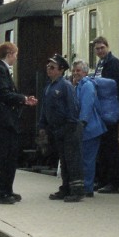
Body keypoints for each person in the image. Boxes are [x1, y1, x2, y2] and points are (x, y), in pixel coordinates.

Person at [0, 42, 37, 204]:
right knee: (1, 156)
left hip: (6, 121)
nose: (16, 58)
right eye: (15, 54)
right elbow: (3, 94)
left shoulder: (1, 69)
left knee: (9, 156)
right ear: (9, 54)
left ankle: (7, 190)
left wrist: (22, 99)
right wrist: (23, 99)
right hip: (1, 121)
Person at [40, 54, 84, 202]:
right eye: (48, 67)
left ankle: (77, 190)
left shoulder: (65, 86)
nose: (48, 69)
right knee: (64, 160)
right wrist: (42, 126)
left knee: (72, 160)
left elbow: (73, 106)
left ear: (61, 70)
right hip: (57, 129)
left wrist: (71, 124)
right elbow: (45, 108)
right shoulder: (49, 87)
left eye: (52, 67)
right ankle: (65, 188)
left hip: (69, 128)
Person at [91, 37, 119, 193]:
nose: (100, 51)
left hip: (111, 110)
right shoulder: (101, 63)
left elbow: (112, 84)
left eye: (102, 48)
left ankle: (113, 183)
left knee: (111, 147)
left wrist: (92, 81)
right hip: (104, 110)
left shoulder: (113, 63)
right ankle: (103, 180)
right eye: (97, 49)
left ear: (107, 47)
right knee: (104, 147)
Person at [72, 59, 106, 196]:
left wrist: (82, 124)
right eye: (74, 70)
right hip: (88, 128)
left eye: (78, 70)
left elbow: (86, 107)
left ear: (85, 72)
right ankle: (85, 185)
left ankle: (87, 187)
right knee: (84, 158)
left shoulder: (87, 86)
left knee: (87, 159)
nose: (75, 73)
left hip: (90, 129)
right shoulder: (79, 85)